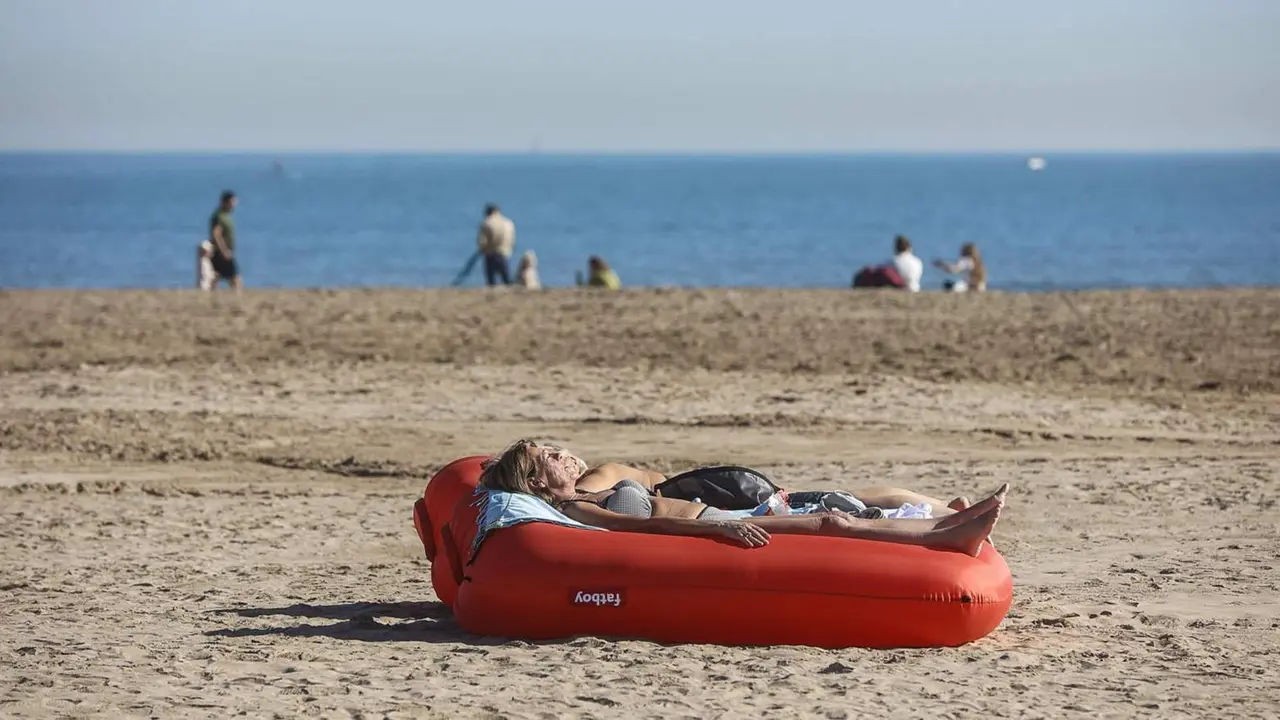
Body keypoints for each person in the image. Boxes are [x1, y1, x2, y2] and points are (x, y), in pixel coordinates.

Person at [479, 440, 1004, 556]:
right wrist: (716, 528)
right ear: (537, 482)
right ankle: (948, 536)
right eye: (549, 455)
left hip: (724, 514)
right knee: (830, 523)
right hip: (717, 521)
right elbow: (645, 528)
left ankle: (946, 529)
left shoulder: (583, 492)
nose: (562, 453)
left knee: (831, 517)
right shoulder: (573, 508)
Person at [208, 190, 242, 291]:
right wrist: (224, 250)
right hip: (221, 252)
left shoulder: (226, 215)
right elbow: (216, 234)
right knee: (236, 278)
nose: (234, 204)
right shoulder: (219, 216)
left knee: (217, 276)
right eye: (233, 202)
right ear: (226, 202)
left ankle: (210, 294)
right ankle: (238, 298)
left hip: (225, 251)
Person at [477, 204, 516, 286]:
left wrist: (483, 250)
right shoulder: (509, 223)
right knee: (506, 280)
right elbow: (512, 241)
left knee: (491, 282)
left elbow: (482, 242)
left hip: (491, 255)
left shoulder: (486, 223)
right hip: (505, 254)